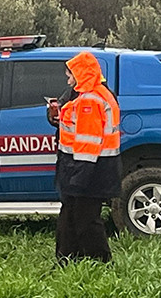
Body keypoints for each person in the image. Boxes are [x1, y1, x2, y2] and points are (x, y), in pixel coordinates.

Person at [50, 51, 121, 265]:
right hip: (87, 168)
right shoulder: (93, 94)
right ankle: (69, 259)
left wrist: (78, 178)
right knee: (72, 216)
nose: (68, 79)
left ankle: (99, 261)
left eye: (70, 74)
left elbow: (88, 144)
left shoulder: (89, 100)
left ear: (81, 74)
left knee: (85, 220)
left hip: (88, 169)